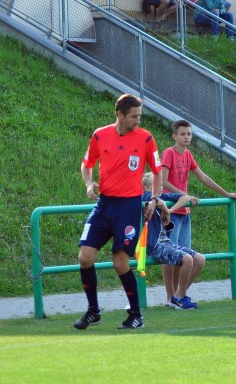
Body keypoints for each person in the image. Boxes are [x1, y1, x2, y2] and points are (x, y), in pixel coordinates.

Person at [73, 94, 162, 330]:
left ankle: (136, 315)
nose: (137, 120)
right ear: (119, 115)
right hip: (104, 205)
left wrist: (154, 198)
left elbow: (156, 171)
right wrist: (89, 182)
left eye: (139, 116)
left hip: (129, 207)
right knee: (85, 257)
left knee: (120, 262)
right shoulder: (100, 135)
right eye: (134, 116)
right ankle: (93, 311)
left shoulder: (145, 139)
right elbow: (87, 163)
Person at [161, 120, 236, 307]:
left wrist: (226, 193)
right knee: (170, 256)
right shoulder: (169, 153)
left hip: (185, 211)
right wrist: (184, 195)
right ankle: (169, 296)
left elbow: (203, 176)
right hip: (170, 211)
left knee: (185, 256)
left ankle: (180, 296)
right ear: (174, 136)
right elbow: (163, 181)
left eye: (189, 134)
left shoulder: (188, 155)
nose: (186, 137)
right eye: (182, 134)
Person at [141, 173, 204, 309]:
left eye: (161, 184)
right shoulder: (145, 197)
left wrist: (170, 209)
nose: (160, 187)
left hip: (166, 243)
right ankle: (179, 298)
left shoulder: (162, 196)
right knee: (187, 259)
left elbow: (184, 197)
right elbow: (156, 202)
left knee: (200, 259)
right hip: (154, 246)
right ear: (146, 187)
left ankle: (178, 296)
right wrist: (164, 208)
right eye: (156, 184)